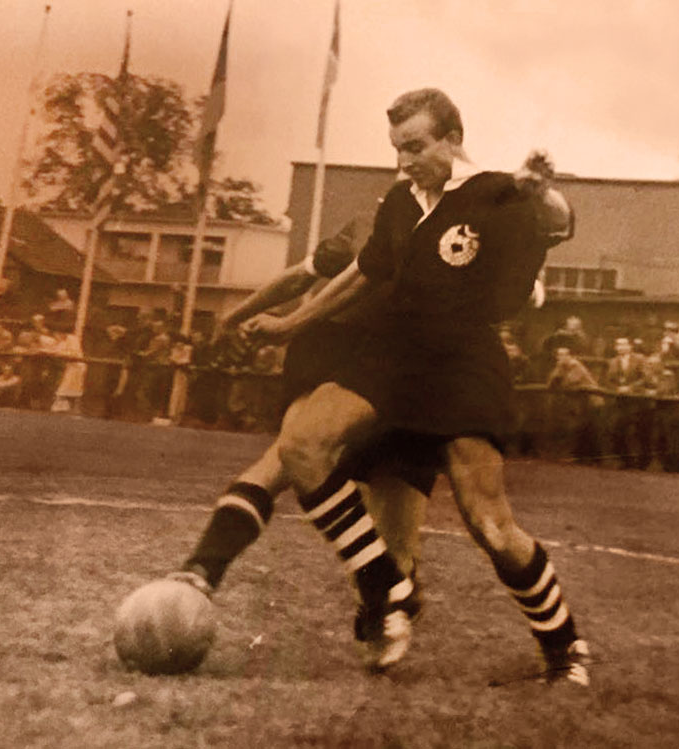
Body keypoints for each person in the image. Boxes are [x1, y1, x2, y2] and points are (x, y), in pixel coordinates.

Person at [241, 89, 588, 684]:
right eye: (398, 149)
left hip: (461, 365)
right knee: (301, 446)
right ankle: (387, 589)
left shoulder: (498, 194)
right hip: (394, 357)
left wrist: (540, 197)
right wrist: (290, 324)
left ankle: (565, 649)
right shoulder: (401, 202)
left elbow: (547, 235)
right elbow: (363, 274)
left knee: (490, 525)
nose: (405, 161)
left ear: (453, 138)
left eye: (416, 147)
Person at [603, 337, 651, 470]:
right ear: (615, 347)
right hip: (621, 402)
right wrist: (617, 389)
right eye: (618, 345)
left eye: (624, 344)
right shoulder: (613, 362)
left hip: (638, 400)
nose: (621, 347)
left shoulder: (640, 359)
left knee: (641, 431)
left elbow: (646, 377)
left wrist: (631, 388)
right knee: (618, 429)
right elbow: (608, 380)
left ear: (630, 347)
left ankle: (643, 463)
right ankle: (626, 460)